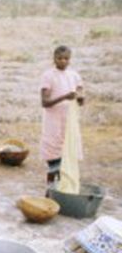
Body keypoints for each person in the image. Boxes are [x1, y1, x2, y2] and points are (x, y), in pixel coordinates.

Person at [40, 45, 84, 185]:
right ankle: (50, 190)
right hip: (53, 123)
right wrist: (64, 96)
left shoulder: (74, 76)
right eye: (60, 58)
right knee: (53, 159)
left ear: (70, 59)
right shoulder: (48, 75)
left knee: (68, 157)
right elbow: (45, 102)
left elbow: (80, 99)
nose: (63, 61)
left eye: (66, 58)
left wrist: (80, 98)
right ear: (54, 59)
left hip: (69, 123)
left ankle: (65, 189)